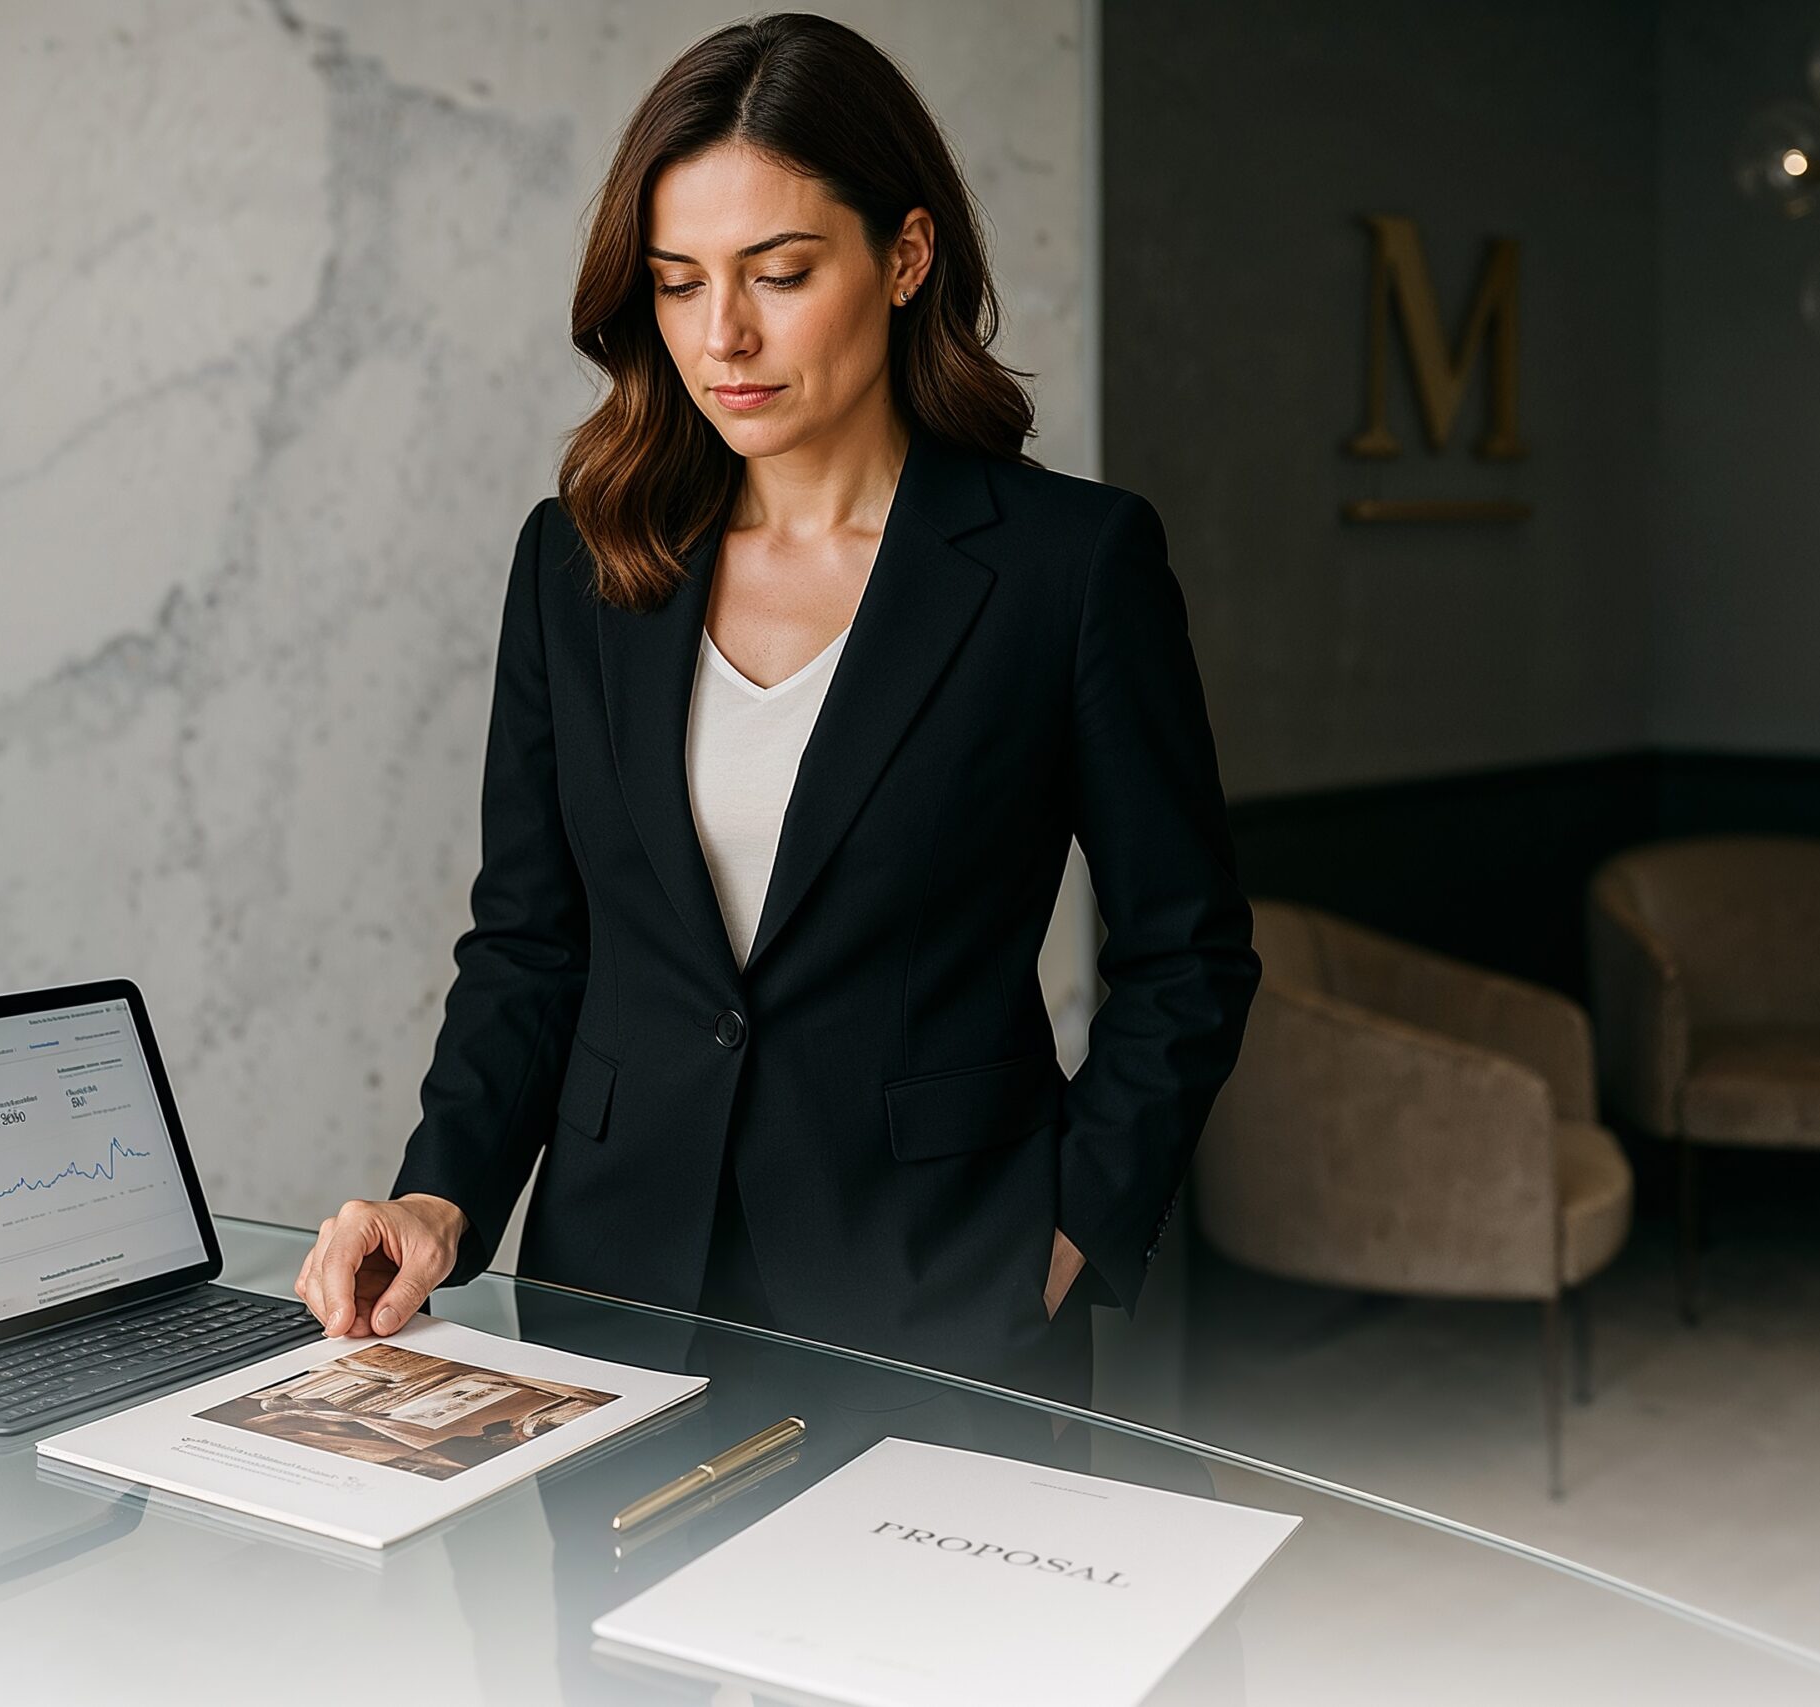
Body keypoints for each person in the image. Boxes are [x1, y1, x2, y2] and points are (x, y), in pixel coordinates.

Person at [292, 12, 1258, 1408]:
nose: (721, 335)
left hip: (946, 1299)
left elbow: (1188, 953)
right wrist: (438, 1196)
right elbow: (531, 941)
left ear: (905, 257)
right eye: (679, 284)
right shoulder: (576, 564)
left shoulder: (1068, 568)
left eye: (781, 273)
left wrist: (1065, 1236)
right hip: (618, 1296)